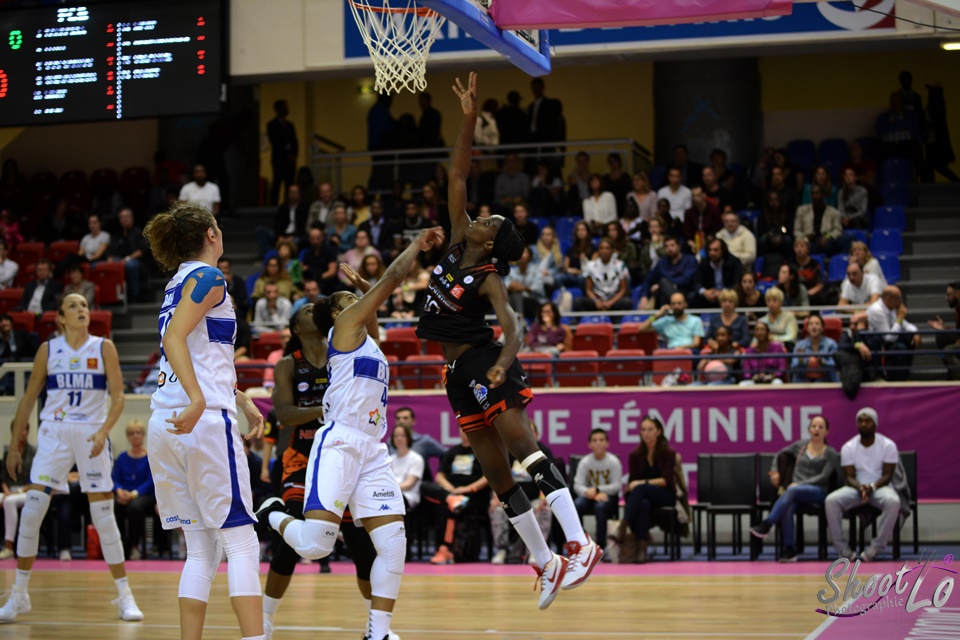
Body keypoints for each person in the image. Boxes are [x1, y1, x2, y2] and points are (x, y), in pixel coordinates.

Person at [416, 73, 601, 609]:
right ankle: (546, 561)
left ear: (492, 240)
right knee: (497, 474)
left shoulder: (490, 276)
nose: (481, 216)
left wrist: (503, 363)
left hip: (484, 362)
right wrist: (469, 117)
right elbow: (458, 172)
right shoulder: (457, 239)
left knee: (526, 452)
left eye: (489, 220)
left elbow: (515, 328)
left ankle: (580, 543)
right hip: (456, 374)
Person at [264, 226, 443, 640]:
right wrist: (414, 245)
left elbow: (375, 315)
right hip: (340, 442)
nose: (358, 301)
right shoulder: (344, 328)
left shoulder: (368, 340)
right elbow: (392, 279)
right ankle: (270, 512)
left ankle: (378, 633)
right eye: (349, 299)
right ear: (338, 315)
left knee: (393, 543)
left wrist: (363, 287)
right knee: (316, 546)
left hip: (372, 449)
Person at [142, 203, 265, 639]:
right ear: (212, 234)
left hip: (167, 420)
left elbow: (193, 350)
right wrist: (200, 399)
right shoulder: (210, 277)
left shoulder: (177, 283)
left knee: (201, 549)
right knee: (241, 542)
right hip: (202, 422)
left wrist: (237, 395)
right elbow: (175, 339)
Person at [255, 302, 401, 640]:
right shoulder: (289, 364)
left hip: (345, 459)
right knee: (294, 545)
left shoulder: (345, 348)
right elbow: (284, 414)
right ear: (296, 327)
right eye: (306, 310)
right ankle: (264, 620)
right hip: (302, 456)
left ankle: (378, 628)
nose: (313, 310)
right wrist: (329, 408)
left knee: (363, 549)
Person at [0, 293, 143, 624]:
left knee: (103, 515)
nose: (82, 310)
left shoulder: (103, 347)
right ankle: (19, 594)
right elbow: (27, 400)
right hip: (54, 432)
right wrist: (14, 446)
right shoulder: (48, 350)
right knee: (32, 510)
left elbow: (119, 397)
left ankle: (125, 595)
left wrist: (105, 431)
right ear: (61, 318)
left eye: (85, 306)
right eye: (74, 306)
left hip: (92, 433)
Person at [750, 415, 839, 562]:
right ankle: (790, 549)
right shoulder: (800, 446)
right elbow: (780, 454)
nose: (816, 430)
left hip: (817, 491)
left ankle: (768, 523)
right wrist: (774, 471)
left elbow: (824, 476)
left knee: (791, 491)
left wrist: (801, 485)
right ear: (809, 429)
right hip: (795, 492)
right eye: (814, 426)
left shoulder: (830, 453)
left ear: (826, 432)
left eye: (820, 427)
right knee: (787, 507)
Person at [825, 408, 901, 562]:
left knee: (894, 501)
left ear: (875, 424)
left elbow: (887, 475)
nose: (864, 424)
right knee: (831, 500)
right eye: (860, 421)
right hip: (856, 488)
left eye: (867, 421)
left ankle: (876, 548)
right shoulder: (848, 447)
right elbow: (849, 476)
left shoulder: (888, 445)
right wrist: (861, 488)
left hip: (880, 488)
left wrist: (872, 487)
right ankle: (842, 549)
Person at [428, 429, 490, 565]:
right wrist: (450, 488)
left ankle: (444, 548)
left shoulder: (481, 451)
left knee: (450, 508)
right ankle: (450, 498)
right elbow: (439, 476)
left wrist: (467, 489)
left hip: (473, 495)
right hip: (452, 492)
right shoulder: (452, 452)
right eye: (462, 428)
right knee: (427, 490)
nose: (465, 432)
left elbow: (487, 477)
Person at [623, 416, 678, 563]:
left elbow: (665, 481)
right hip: (643, 498)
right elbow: (631, 481)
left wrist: (643, 483)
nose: (646, 433)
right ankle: (642, 549)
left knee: (640, 489)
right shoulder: (635, 455)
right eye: (643, 430)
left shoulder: (668, 453)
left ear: (658, 431)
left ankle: (624, 525)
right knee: (643, 504)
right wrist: (637, 484)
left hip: (665, 494)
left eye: (650, 429)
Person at [112, 420, 156, 561]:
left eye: (138, 433)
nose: (135, 436)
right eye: (131, 433)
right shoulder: (122, 458)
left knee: (135, 508)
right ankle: (118, 547)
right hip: (124, 495)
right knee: (115, 505)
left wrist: (133, 494)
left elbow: (150, 482)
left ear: (143, 435)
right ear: (128, 436)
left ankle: (133, 546)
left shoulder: (150, 457)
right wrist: (119, 491)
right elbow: (115, 479)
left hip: (144, 496)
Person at [573, 429, 622, 555]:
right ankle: (584, 543)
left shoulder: (613, 462)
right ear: (589, 444)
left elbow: (617, 486)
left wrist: (599, 490)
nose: (598, 443)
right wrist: (589, 492)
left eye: (601, 440)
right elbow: (577, 485)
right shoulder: (585, 462)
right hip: (589, 496)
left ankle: (601, 546)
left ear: (607, 443)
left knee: (600, 507)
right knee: (576, 505)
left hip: (607, 497)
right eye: (595, 440)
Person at [865, 285, 920, 382]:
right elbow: (889, 338)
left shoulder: (891, 308)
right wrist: (900, 318)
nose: (901, 302)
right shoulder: (876, 310)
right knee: (900, 348)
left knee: (909, 337)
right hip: (878, 345)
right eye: (898, 298)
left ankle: (905, 376)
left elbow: (906, 325)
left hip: (889, 340)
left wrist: (916, 332)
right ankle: (896, 379)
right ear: (888, 298)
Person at [0, 423, 36, 559]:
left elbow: (35, 480)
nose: (21, 433)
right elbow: (3, 477)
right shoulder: (8, 452)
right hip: (9, 491)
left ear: (28, 432)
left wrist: (18, 491)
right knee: (7, 499)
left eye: (24, 429)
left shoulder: (33, 452)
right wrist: (6, 491)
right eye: (18, 430)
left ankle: (8, 547)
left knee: (9, 502)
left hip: (27, 491)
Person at [637, 236, 699, 309]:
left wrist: (662, 284)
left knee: (663, 282)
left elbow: (686, 280)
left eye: (672, 245)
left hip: (685, 292)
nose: (669, 249)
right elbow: (648, 279)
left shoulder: (690, 260)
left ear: (679, 246)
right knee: (661, 288)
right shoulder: (662, 262)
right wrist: (644, 296)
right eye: (666, 246)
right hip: (666, 296)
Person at [573, 239, 631, 315]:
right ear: (598, 251)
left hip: (613, 300)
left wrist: (611, 302)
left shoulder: (620, 265)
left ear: (612, 250)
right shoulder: (591, 265)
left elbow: (623, 289)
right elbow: (588, 289)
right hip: (597, 299)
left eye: (607, 248)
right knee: (578, 302)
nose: (604, 251)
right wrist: (596, 301)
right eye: (602, 248)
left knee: (627, 302)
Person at [637, 292, 703, 350]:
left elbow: (696, 343)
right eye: (673, 304)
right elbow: (642, 328)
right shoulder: (666, 321)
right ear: (670, 305)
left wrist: (681, 348)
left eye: (679, 303)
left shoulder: (695, 320)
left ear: (685, 304)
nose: (676, 306)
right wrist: (657, 315)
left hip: (690, 352)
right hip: (671, 353)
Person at [106, 208, 146, 302]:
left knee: (131, 265)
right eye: (122, 217)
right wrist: (109, 259)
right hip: (118, 259)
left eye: (127, 217)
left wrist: (127, 259)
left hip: (134, 261)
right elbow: (110, 251)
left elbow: (140, 251)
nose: (124, 219)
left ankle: (135, 295)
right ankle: (112, 297)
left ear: (132, 218)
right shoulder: (117, 234)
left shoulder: (138, 232)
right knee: (102, 266)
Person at [267, 100, 298, 206]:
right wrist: (285, 154)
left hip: (290, 159)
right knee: (277, 182)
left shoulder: (290, 125)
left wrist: (294, 154)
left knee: (289, 183)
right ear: (277, 109)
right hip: (279, 158)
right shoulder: (272, 125)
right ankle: (273, 205)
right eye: (284, 107)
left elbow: (294, 141)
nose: (286, 109)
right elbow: (275, 141)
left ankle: (288, 204)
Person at [696, 238, 743, 308]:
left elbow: (737, 283)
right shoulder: (704, 263)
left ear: (723, 251)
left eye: (715, 250)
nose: (712, 253)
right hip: (709, 295)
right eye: (710, 250)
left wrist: (723, 292)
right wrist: (704, 292)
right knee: (693, 296)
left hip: (728, 293)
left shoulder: (734, 262)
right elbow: (697, 282)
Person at [790, 315, 838, 383]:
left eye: (817, 324)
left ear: (822, 328)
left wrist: (822, 363)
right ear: (807, 328)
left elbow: (835, 367)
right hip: (804, 380)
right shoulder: (800, 345)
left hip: (825, 379)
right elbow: (794, 368)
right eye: (811, 324)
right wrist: (801, 362)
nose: (814, 326)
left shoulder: (831, 344)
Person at [928, 280, 960, 380]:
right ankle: (952, 373)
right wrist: (944, 328)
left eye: (949, 295)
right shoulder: (957, 309)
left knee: (949, 350)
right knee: (941, 335)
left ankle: (958, 380)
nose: (946, 298)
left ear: (958, 293)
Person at [391, 423, 425, 513]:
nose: (399, 438)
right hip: (391, 493)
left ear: (408, 438)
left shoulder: (416, 459)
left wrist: (389, 490)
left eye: (402, 435)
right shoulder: (389, 459)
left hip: (408, 496)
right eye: (396, 436)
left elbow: (409, 484)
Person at [793, 237, 825, 305]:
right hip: (794, 295)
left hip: (810, 294)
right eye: (796, 246)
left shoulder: (814, 264)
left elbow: (819, 285)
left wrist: (807, 294)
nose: (799, 249)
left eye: (802, 246)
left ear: (808, 249)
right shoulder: (791, 264)